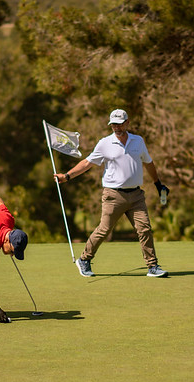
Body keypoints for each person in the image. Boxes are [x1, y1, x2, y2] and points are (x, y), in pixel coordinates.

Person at [54, 109, 169, 278]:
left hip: (136, 196)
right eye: (113, 124)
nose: (116, 127)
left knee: (145, 229)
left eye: (119, 123)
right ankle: (84, 259)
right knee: (104, 229)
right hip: (113, 195)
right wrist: (67, 176)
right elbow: (87, 163)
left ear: (127, 122)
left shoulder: (138, 141)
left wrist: (158, 184)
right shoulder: (104, 143)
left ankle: (152, 266)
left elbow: (149, 163)